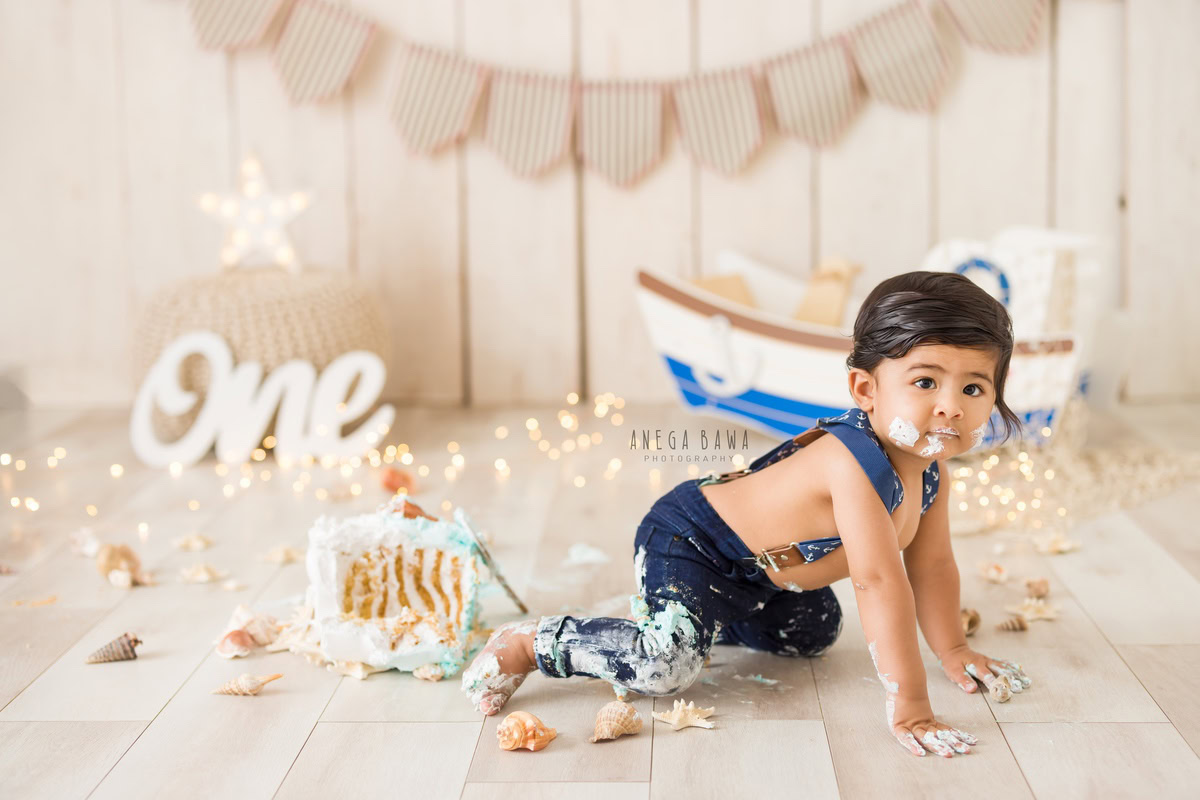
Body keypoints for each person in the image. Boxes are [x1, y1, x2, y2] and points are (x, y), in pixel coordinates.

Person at [461, 270, 1032, 757]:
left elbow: (930, 566)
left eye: (975, 388)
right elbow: (879, 580)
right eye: (925, 381)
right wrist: (911, 706)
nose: (950, 407)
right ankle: (533, 642)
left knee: (815, 632)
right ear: (865, 388)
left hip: (760, 576)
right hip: (693, 541)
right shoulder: (855, 466)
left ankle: (699, 618)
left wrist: (952, 649)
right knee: (668, 667)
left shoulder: (932, 471)